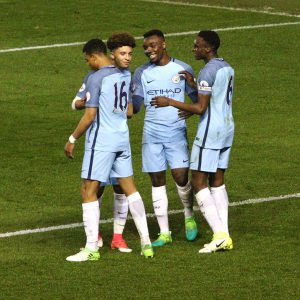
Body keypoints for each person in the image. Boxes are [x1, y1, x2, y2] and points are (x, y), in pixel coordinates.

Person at [64, 34, 154, 261]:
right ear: (112, 54)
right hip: (122, 139)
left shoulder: (97, 78)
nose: (128, 58)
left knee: (88, 191)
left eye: (87, 59)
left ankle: (91, 249)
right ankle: (146, 243)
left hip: (102, 142)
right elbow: (131, 111)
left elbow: (90, 115)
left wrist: (73, 138)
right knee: (130, 189)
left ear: (95, 57)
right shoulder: (124, 74)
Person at [151, 30, 234, 253]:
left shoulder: (207, 71)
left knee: (198, 182)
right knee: (218, 180)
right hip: (227, 127)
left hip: (210, 131)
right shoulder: (225, 66)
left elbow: (200, 108)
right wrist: (195, 84)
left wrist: (169, 101)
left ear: (208, 49)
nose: (193, 49)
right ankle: (224, 233)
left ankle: (219, 234)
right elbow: (211, 97)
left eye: (197, 46)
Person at [132, 29, 198, 247]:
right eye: (145, 47)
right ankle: (164, 232)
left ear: (163, 44)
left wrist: (192, 109)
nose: (148, 50)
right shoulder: (141, 72)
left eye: (152, 45)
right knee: (156, 180)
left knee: (180, 177)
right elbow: (137, 105)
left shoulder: (182, 68)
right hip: (151, 133)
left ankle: (189, 216)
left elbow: (198, 99)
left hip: (175, 132)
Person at [71, 54, 133, 253]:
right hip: (101, 142)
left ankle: (117, 237)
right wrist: (88, 101)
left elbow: (130, 110)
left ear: (92, 56)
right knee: (96, 188)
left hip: (114, 139)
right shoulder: (93, 77)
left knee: (120, 188)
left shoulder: (123, 74)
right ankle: (94, 236)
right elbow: (75, 103)